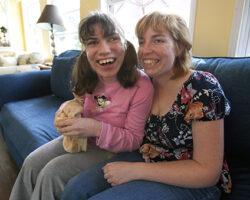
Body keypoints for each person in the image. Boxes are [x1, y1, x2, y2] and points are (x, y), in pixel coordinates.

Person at [61, 11, 231, 200]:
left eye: (157, 40)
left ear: (179, 46)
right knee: (75, 190)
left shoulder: (203, 88)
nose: (145, 50)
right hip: (145, 159)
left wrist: (137, 170)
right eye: (142, 41)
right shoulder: (144, 81)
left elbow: (207, 173)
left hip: (193, 181)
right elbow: (102, 97)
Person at [9, 11, 153, 200]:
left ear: (125, 43)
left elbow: (133, 140)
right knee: (32, 162)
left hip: (111, 150)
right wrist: (66, 111)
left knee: (52, 173)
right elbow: (79, 103)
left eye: (112, 38)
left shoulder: (142, 85)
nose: (104, 49)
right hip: (80, 141)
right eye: (93, 42)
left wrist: (96, 129)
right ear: (85, 48)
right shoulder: (90, 75)